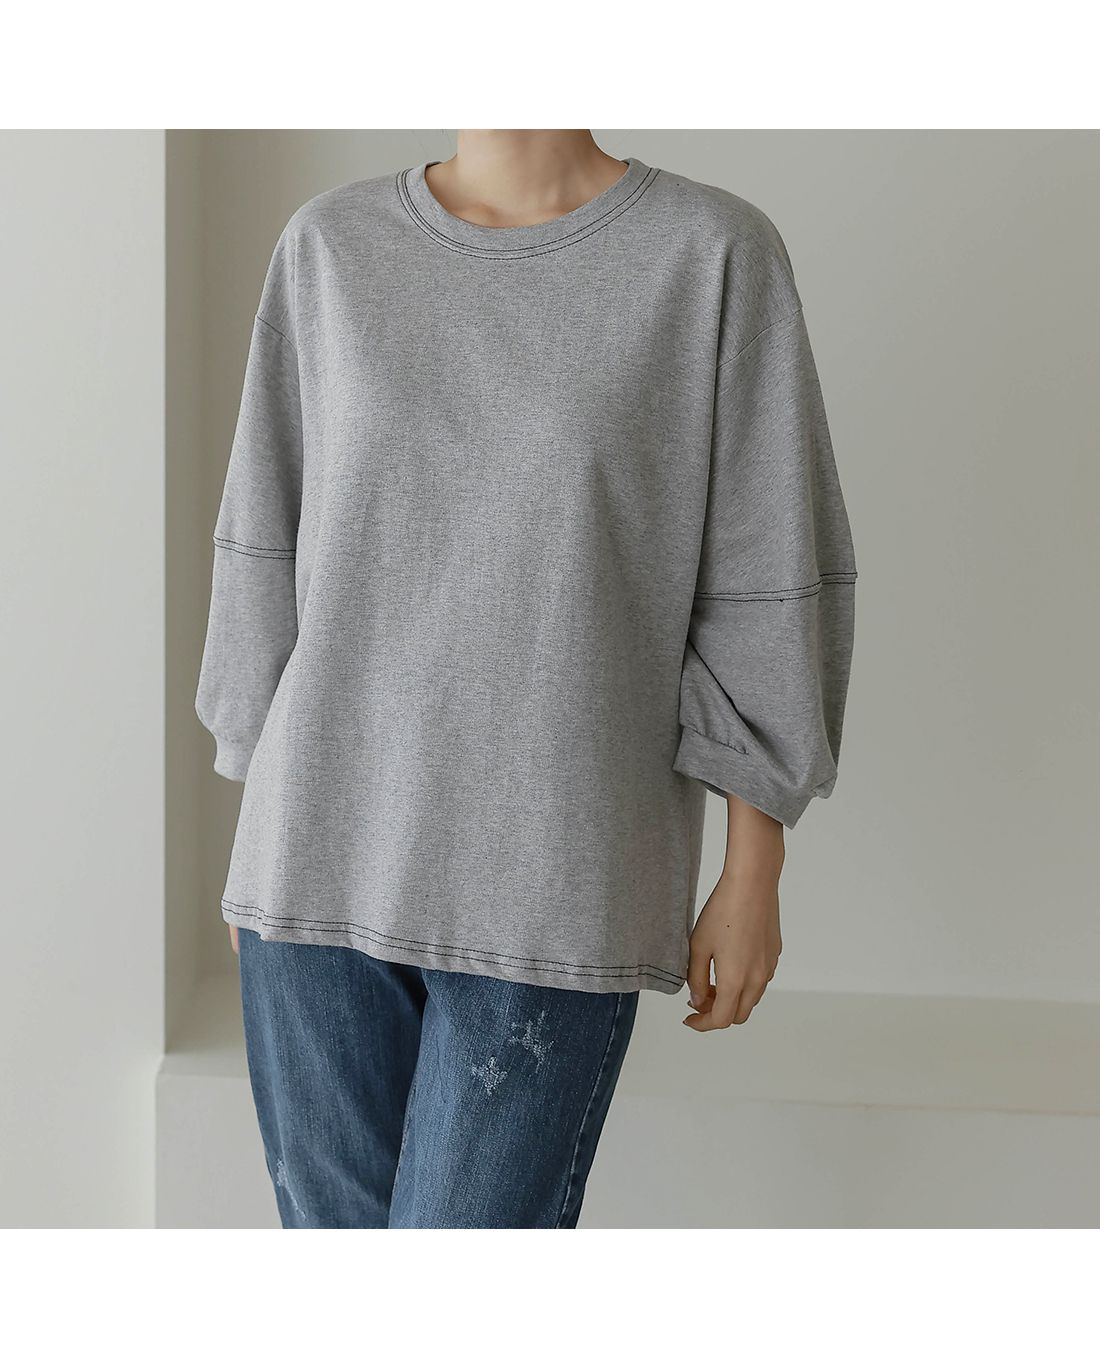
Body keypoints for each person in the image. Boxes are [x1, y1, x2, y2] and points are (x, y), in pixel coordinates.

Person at [195, 128, 857, 1229]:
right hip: (312, 863)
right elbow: (262, 542)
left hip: (557, 881)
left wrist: (755, 865)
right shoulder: (330, 247)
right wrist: (256, 835)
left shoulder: (708, 254)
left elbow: (767, 570)